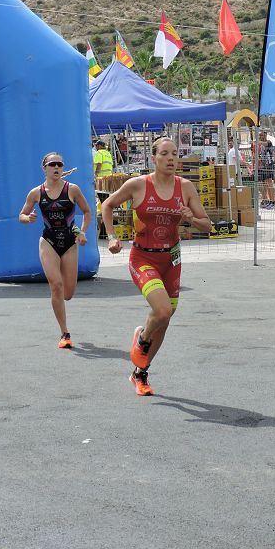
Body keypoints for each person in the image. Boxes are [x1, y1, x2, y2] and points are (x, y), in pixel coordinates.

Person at [101, 136, 211, 396]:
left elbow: (207, 225)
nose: (171, 158)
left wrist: (191, 218)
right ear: (154, 158)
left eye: (175, 153)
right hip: (143, 258)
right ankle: (141, 340)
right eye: (165, 153)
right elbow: (107, 205)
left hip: (171, 260)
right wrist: (112, 236)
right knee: (161, 311)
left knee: (165, 319)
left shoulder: (185, 187)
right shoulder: (138, 185)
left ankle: (140, 373)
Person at [18, 152, 92, 348]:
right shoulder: (36, 193)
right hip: (48, 241)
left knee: (68, 293)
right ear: (44, 168)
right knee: (56, 285)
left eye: (59, 164)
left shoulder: (72, 189)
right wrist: (28, 218)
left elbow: (87, 211)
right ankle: (64, 333)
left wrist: (82, 232)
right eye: (52, 164)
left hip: (69, 242)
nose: (56, 167)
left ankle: (64, 321)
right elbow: (22, 215)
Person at [255, 131, 275, 209]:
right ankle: (268, 201)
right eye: (259, 135)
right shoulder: (260, 145)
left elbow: (272, 152)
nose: (260, 136)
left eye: (261, 135)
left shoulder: (268, 142)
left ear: (265, 135)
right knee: (265, 184)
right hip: (263, 166)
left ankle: (273, 201)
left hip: (269, 165)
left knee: (269, 183)